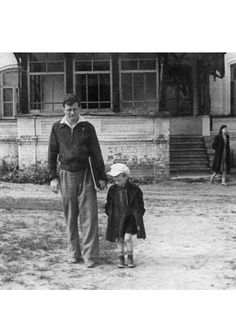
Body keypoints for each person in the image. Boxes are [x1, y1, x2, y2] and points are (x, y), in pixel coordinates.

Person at [48, 93, 107, 268]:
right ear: (63, 110)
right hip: (66, 175)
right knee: (70, 216)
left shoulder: (87, 127)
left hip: (86, 174)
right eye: (68, 110)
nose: (71, 113)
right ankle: (74, 253)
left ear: (79, 108)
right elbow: (52, 154)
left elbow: (96, 153)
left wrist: (101, 176)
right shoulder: (57, 127)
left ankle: (91, 256)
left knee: (89, 216)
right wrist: (53, 177)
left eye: (74, 109)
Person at [105, 163, 146, 268]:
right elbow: (109, 204)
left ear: (125, 176)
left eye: (119, 179)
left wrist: (138, 216)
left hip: (130, 218)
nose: (116, 182)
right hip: (117, 218)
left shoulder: (135, 189)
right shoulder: (112, 190)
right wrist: (110, 214)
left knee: (127, 238)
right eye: (114, 180)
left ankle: (130, 257)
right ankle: (121, 258)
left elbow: (140, 205)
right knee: (119, 238)